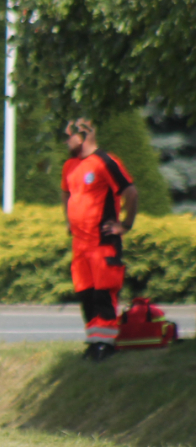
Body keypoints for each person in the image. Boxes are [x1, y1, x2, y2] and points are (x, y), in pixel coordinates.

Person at [61, 118, 138, 362]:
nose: (65, 141)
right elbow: (66, 193)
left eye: (68, 136)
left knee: (103, 294)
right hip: (80, 245)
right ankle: (94, 342)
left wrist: (125, 225)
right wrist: (68, 222)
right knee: (86, 294)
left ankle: (106, 344)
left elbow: (131, 192)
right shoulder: (70, 165)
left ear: (83, 135)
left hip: (102, 243)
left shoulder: (105, 162)